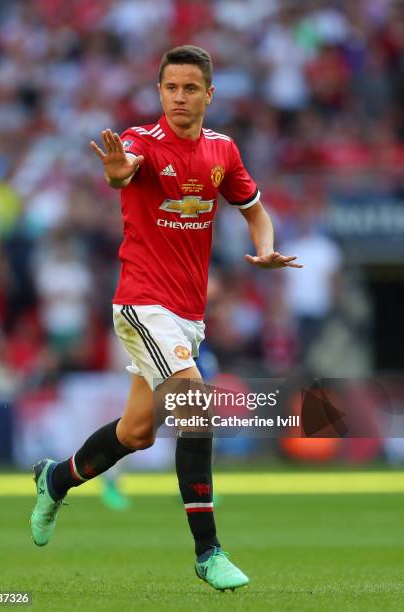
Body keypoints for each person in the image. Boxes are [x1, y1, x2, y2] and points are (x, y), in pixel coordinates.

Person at [30, 45, 303, 592]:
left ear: (209, 94)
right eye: (170, 88)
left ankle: (54, 478)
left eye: (190, 88)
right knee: (195, 401)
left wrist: (266, 246)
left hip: (187, 314)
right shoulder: (140, 142)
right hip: (141, 302)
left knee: (137, 433)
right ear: (159, 92)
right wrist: (115, 172)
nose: (179, 97)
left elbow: (253, 208)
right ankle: (208, 552)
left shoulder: (222, 150)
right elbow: (123, 170)